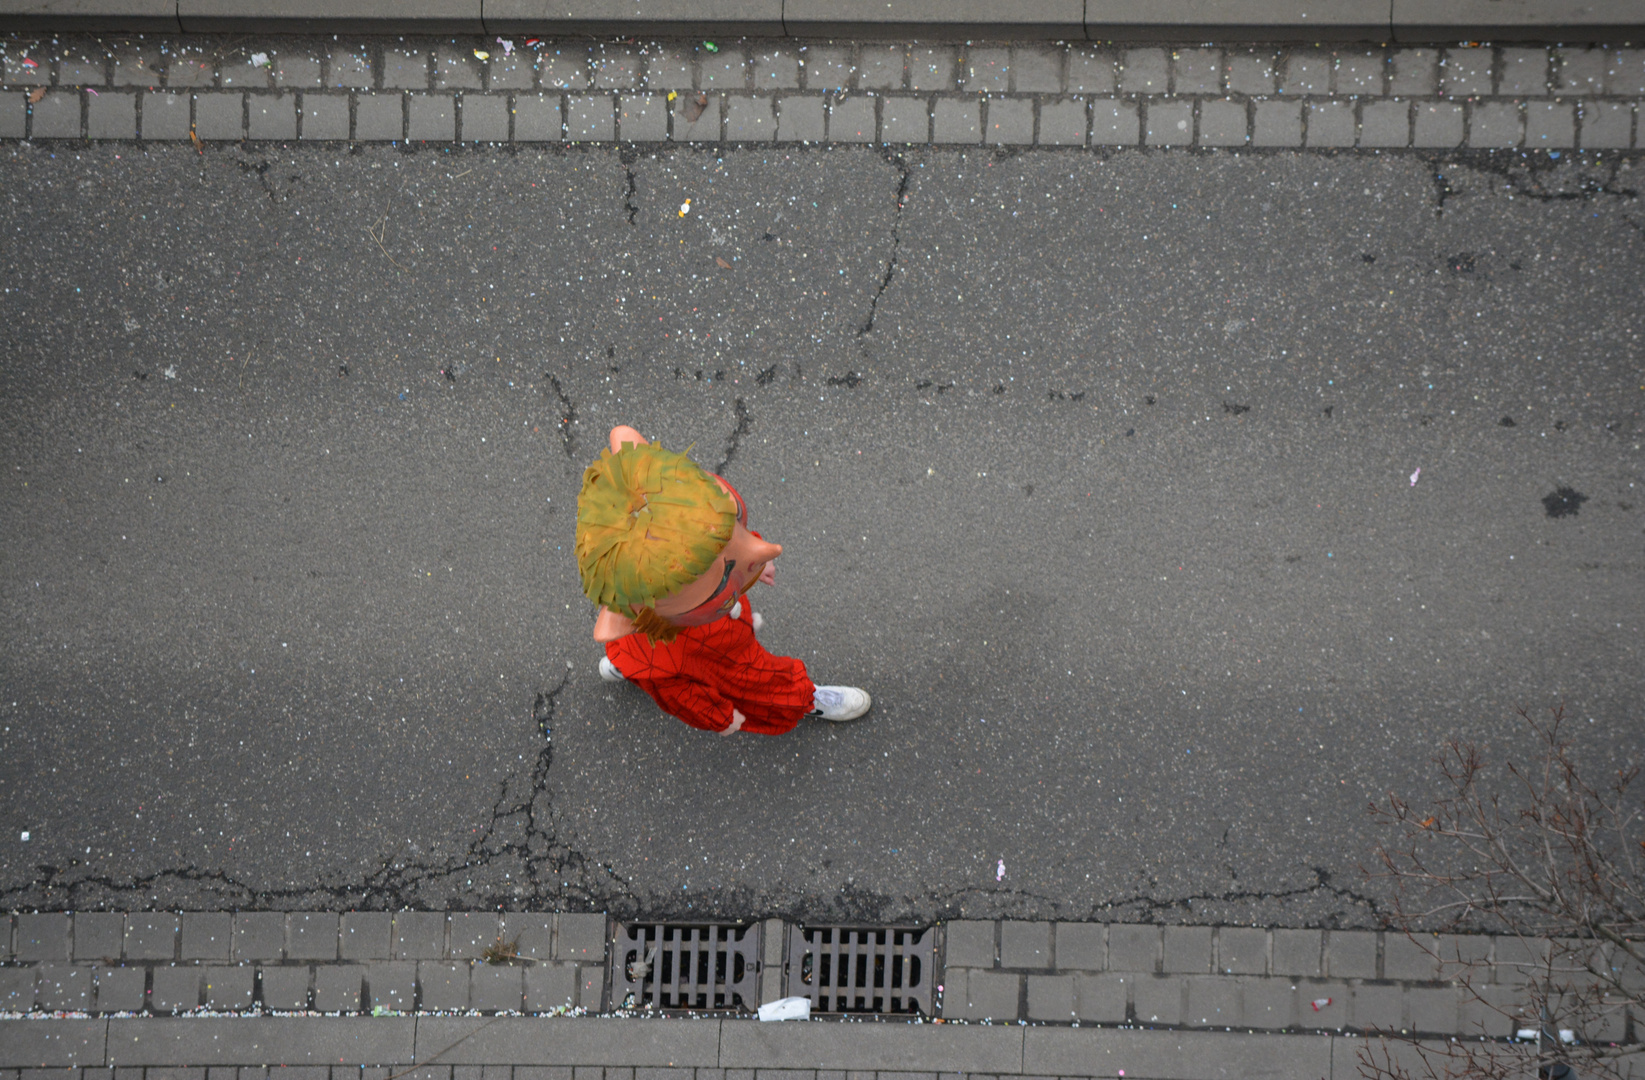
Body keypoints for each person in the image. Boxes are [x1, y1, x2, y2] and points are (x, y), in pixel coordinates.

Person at [575, 424, 872, 736]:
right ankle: (802, 699)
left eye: (735, 518)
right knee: (758, 681)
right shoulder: (666, 659)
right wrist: (721, 717)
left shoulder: (644, 588)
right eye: (724, 575)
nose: (767, 549)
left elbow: (714, 540)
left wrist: (751, 566)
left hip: (677, 636)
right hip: (707, 654)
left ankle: (623, 663)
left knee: (636, 655)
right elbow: (686, 701)